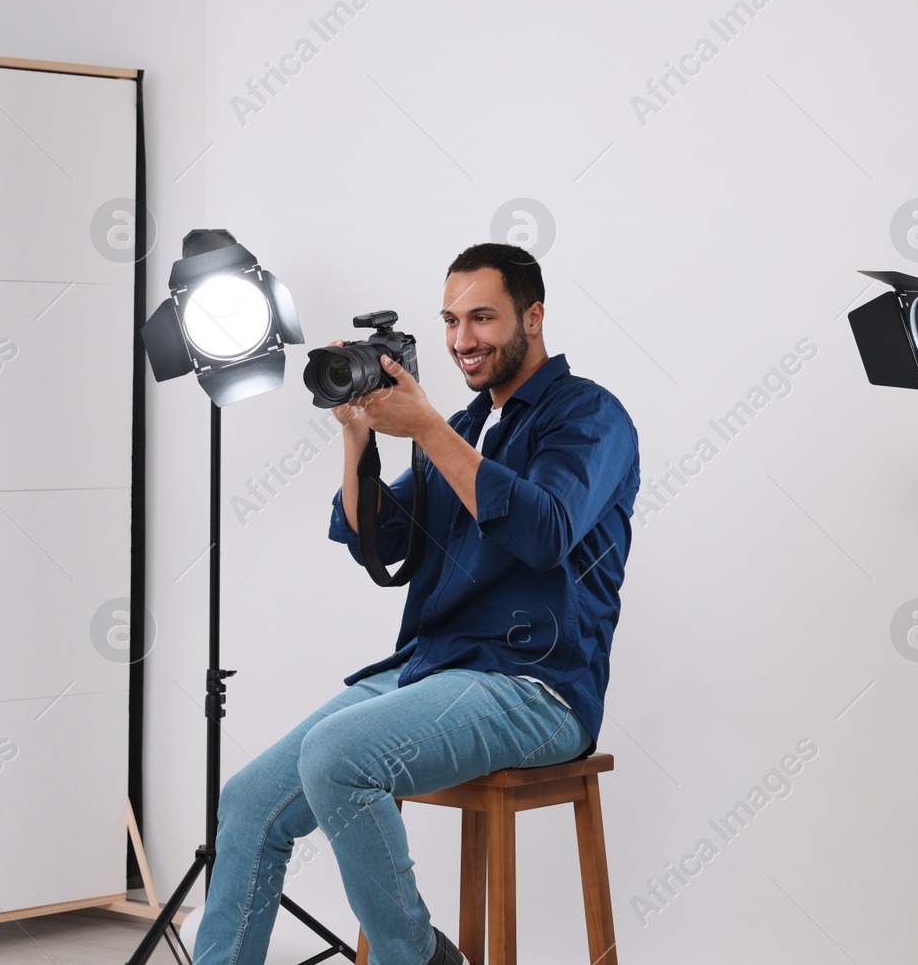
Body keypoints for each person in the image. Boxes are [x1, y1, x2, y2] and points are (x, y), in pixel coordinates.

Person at [191, 243, 640, 965]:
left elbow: (546, 530)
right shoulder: (463, 426)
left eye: (483, 317)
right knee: (248, 800)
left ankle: (417, 957)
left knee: (337, 755)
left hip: (536, 685)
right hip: (434, 668)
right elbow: (376, 532)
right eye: (451, 320)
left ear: (534, 315)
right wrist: (357, 432)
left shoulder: (589, 415)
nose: (463, 339)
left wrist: (427, 427)